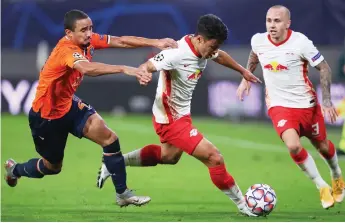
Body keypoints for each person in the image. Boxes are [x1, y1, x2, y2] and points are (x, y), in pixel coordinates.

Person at [3, 9, 177, 207]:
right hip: (46, 117)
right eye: (83, 30)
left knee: (110, 139)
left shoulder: (88, 40)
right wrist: (124, 68)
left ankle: (122, 194)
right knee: (52, 167)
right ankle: (15, 170)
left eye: (90, 28)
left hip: (69, 105)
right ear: (69, 33)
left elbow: (120, 41)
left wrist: (156, 42)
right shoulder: (66, 50)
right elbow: (86, 68)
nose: (89, 34)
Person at [96, 14, 261, 216]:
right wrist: (144, 73)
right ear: (200, 39)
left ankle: (114, 162)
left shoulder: (204, 48)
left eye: (216, 47)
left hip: (180, 114)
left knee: (169, 156)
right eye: (212, 46)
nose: (214, 51)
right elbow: (147, 65)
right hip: (170, 119)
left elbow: (220, 55)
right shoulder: (176, 53)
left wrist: (242, 71)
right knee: (214, 157)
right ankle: (244, 205)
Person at [235, 5, 344, 209]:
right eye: (269, 21)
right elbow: (254, 56)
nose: (272, 25)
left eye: (277, 21)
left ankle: (336, 174)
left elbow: (324, 67)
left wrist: (327, 101)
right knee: (293, 145)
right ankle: (321, 186)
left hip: (307, 106)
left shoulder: (301, 42)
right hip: (279, 106)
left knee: (323, 147)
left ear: (287, 23)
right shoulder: (258, 40)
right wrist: (245, 78)